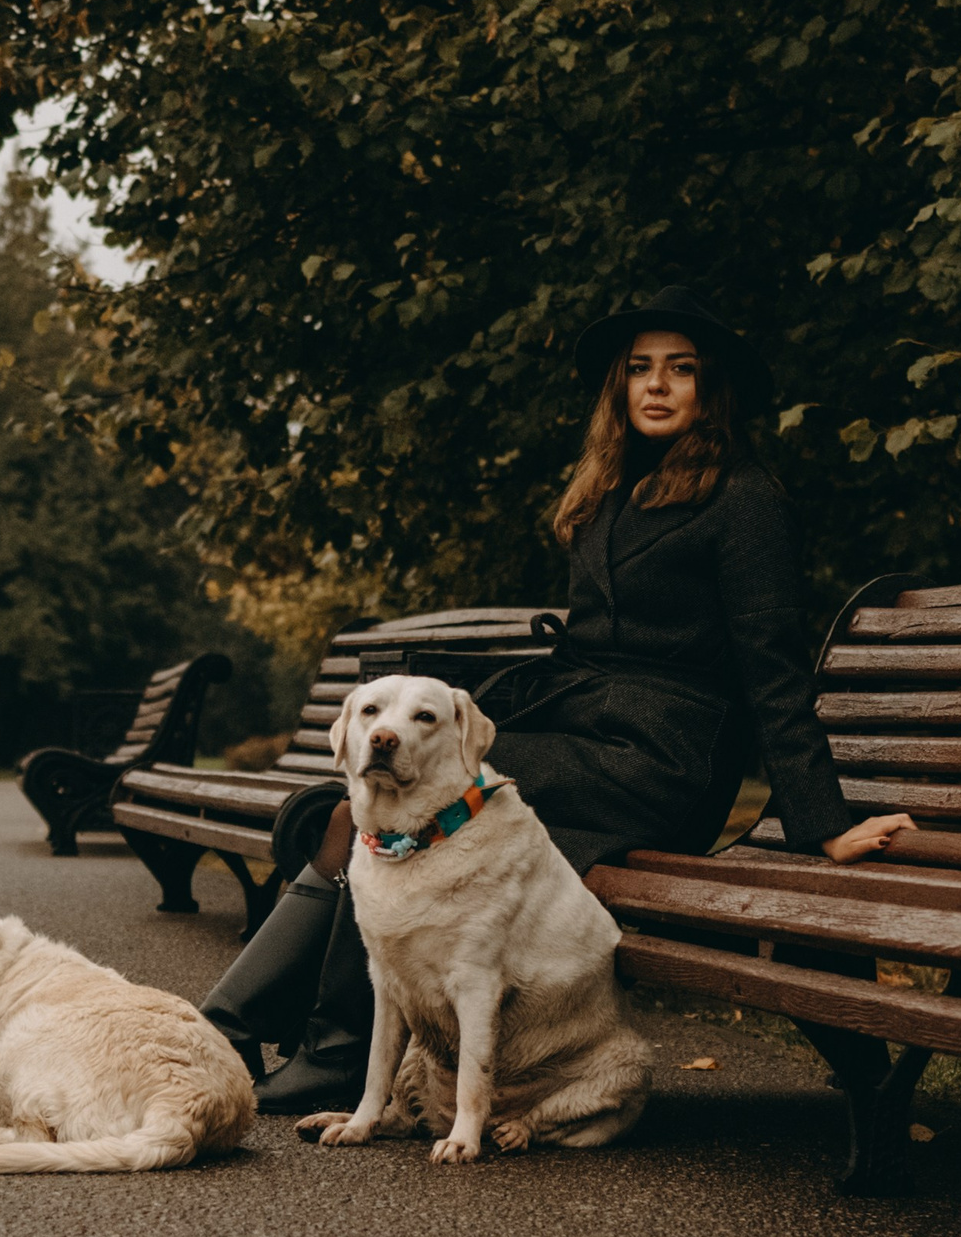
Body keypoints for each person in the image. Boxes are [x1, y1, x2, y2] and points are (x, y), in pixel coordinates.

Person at [200, 286, 914, 1111]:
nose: (657, 384)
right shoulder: (611, 494)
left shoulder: (746, 499)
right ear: (618, 387)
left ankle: (319, 1045)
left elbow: (774, 669)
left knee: (400, 794)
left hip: (662, 760)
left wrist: (821, 822)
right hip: (586, 737)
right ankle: (251, 1028)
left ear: (708, 388)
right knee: (366, 805)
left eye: (680, 370)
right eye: (640, 369)